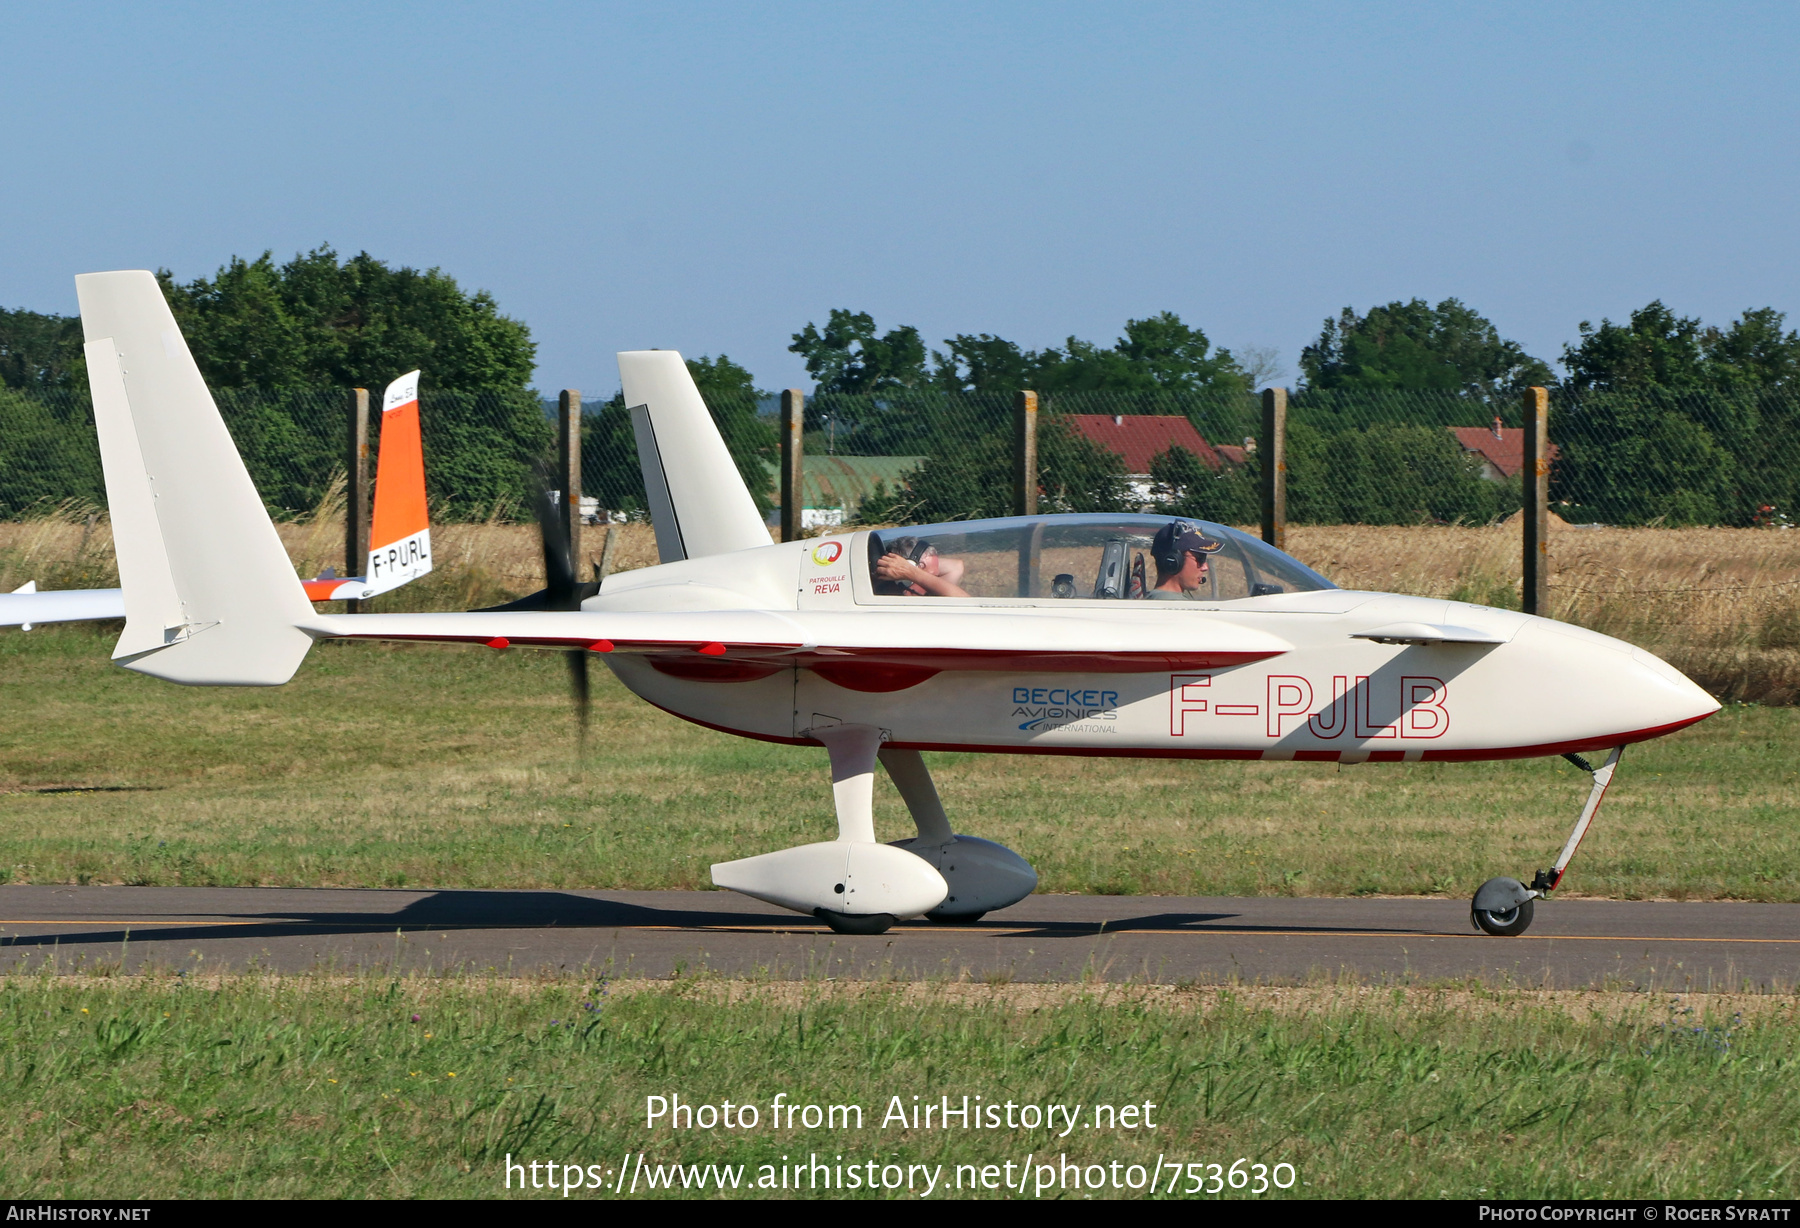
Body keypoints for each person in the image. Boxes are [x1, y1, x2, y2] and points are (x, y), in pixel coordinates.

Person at [1147, 520, 1222, 600]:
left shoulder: (1156, 598)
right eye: (1200, 558)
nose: (1205, 567)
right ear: (1174, 561)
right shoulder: (1174, 605)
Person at [874, 536, 970, 598]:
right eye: (929, 576)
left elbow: (956, 566)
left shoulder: (927, 595)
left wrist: (912, 568)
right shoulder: (884, 597)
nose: (932, 581)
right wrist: (912, 571)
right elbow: (965, 601)